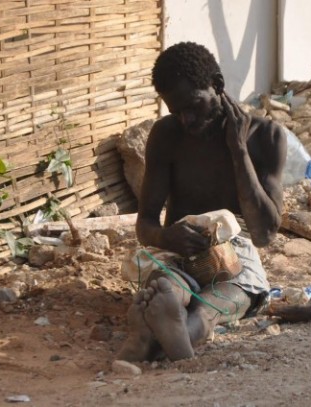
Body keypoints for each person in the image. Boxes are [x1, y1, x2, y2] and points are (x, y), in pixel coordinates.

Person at [117, 42, 286, 362]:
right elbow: (146, 224)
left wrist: (239, 150)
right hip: (177, 252)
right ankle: (167, 319)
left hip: (236, 256)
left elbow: (264, 234)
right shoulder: (166, 135)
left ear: (218, 85)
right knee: (167, 285)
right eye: (177, 112)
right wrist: (166, 236)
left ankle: (161, 335)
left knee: (221, 300)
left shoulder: (267, 137)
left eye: (194, 105)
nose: (187, 120)